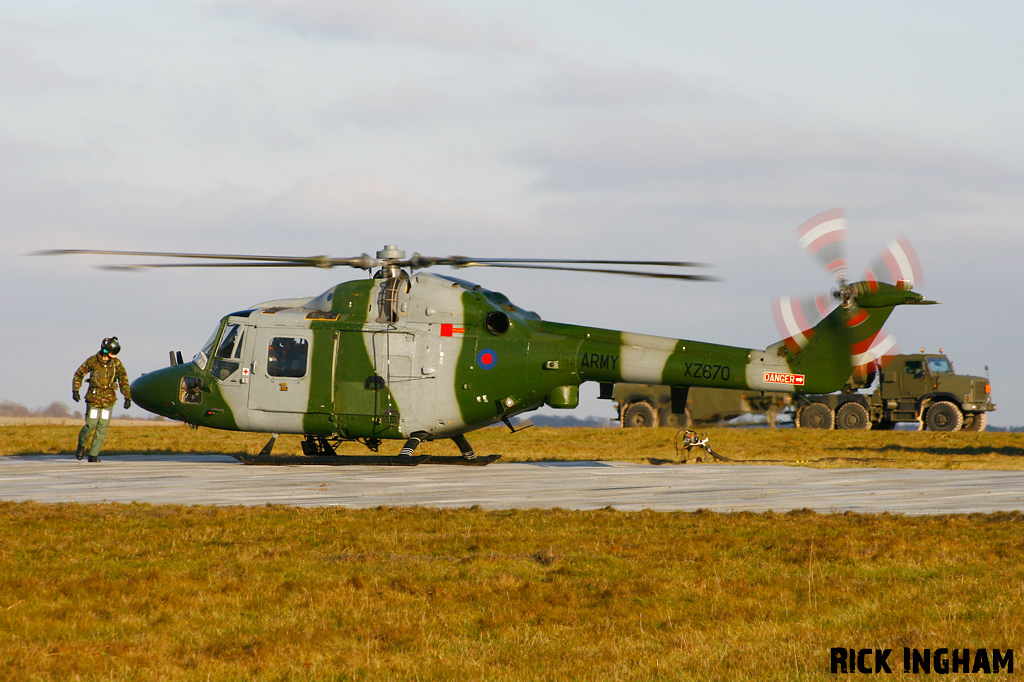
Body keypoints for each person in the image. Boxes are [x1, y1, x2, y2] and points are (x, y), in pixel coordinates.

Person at [72, 337, 131, 462]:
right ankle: (81, 445)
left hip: (108, 401)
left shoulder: (117, 364)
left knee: (102, 428)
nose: (114, 355)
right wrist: (76, 390)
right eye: (112, 352)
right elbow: (79, 374)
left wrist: (127, 397)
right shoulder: (93, 361)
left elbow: (123, 380)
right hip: (94, 400)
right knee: (90, 425)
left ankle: (93, 455)